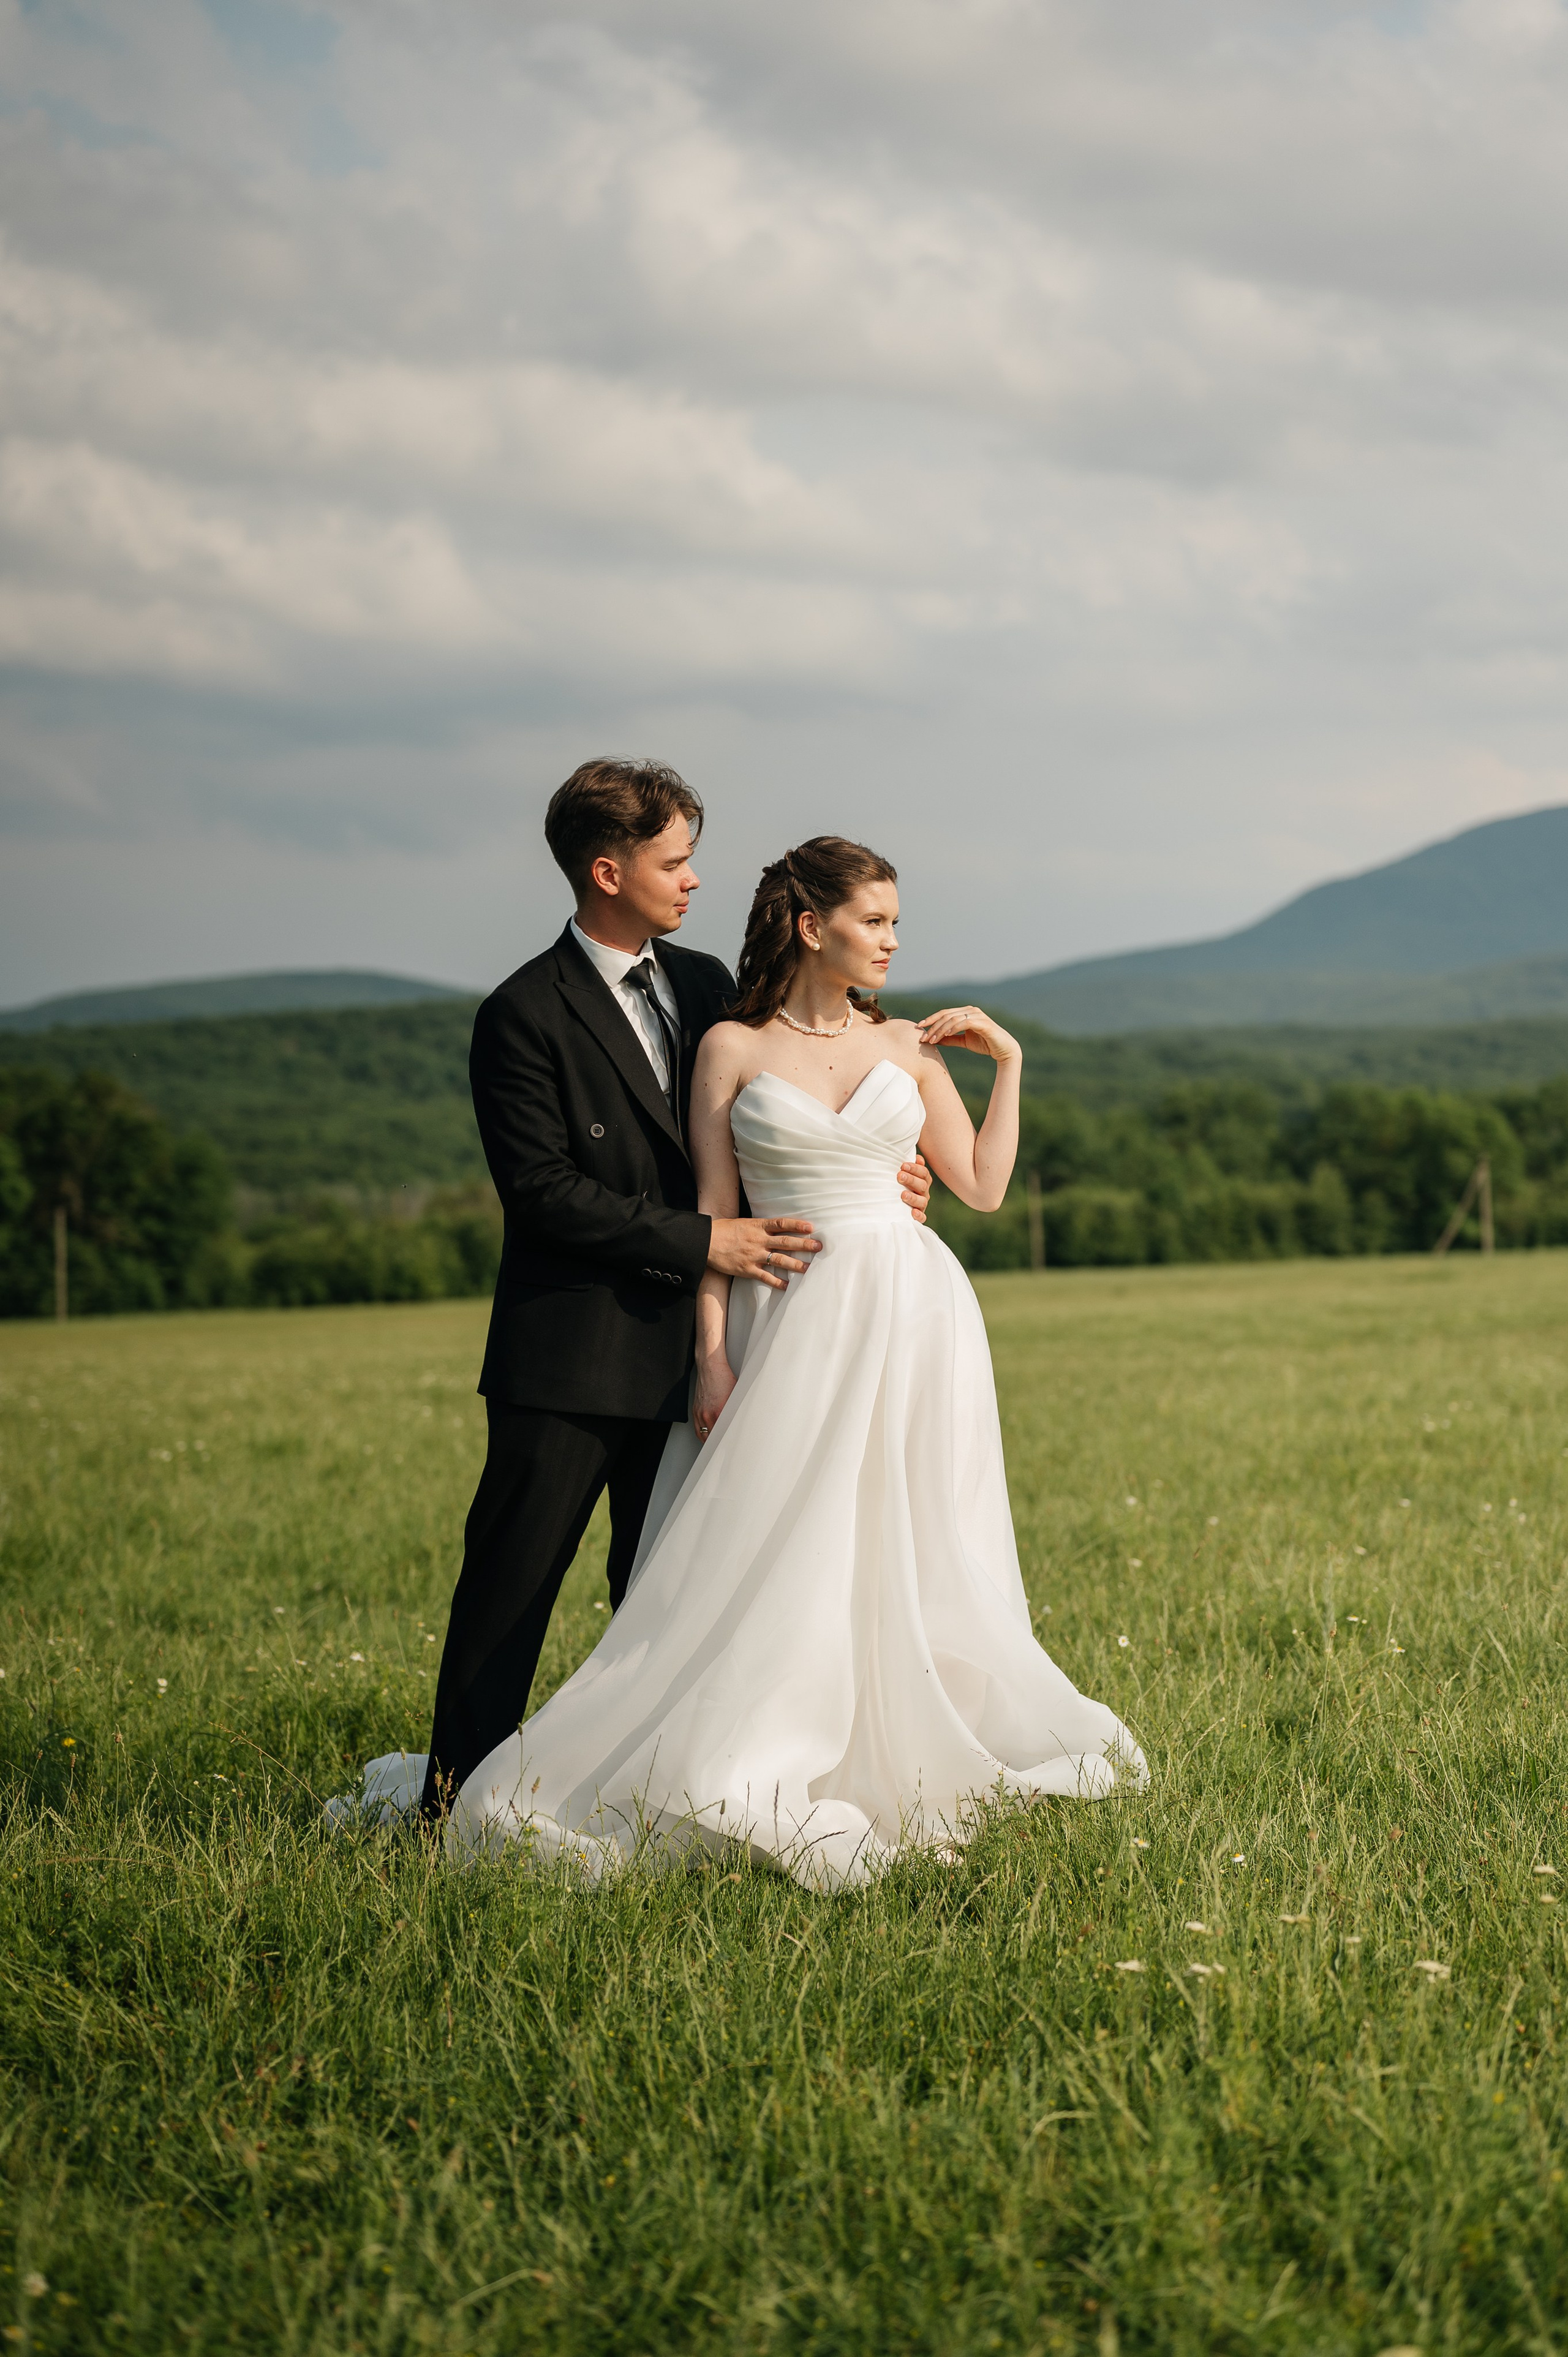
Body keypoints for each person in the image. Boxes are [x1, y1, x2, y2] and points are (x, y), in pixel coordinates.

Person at [358, 831, 1145, 1882]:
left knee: (904, 1534)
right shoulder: (714, 1038)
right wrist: (716, 1358)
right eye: (875, 921)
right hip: (778, 1322)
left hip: (914, 1317)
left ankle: (895, 1736)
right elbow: (705, 1211)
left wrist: (1005, 1067)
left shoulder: (888, 1040)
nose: (892, 942)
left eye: (897, 923)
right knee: (757, 1549)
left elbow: (981, 1188)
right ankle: (536, 1775)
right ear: (813, 926)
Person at [414, 765, 932, 1819]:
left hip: (720, 1350)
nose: (694, 879)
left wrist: (885, 1165)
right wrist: (708, 1240)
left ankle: (644, 1795)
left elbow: (792, 1096)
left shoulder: (706, 988)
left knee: (677, 1602)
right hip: (575, 1353)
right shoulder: (521, 1013)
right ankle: (447, 1804)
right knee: (510, 1592)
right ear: (609, 872)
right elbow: (543, 1193)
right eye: (673, 860)